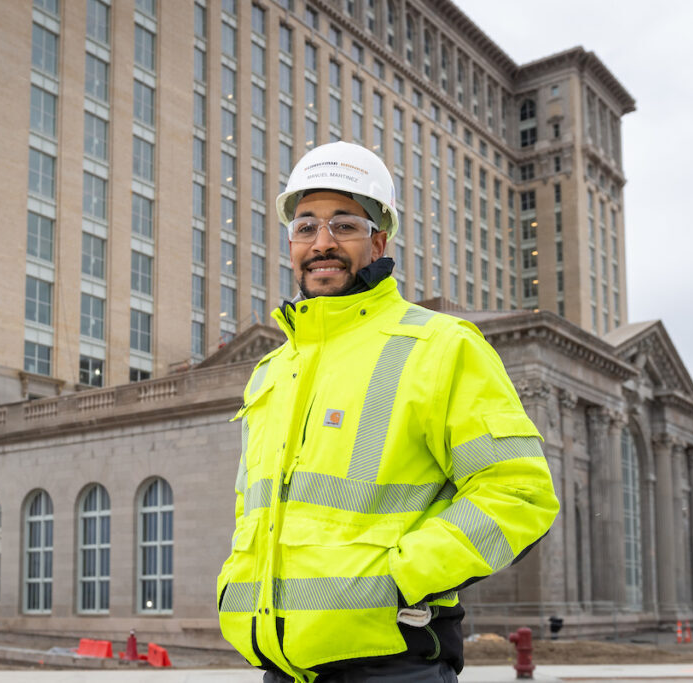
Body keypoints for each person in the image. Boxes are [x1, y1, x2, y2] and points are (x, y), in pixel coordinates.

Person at [217, 141, 559, 683]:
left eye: (344, 225)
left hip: (394, 665)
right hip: (283, 665)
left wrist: (394, 580)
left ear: (378, 240)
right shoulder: (273, 370)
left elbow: (518, 494)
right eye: (305, 227)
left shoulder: (440, 346)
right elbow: (257, 510)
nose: (322, 243)